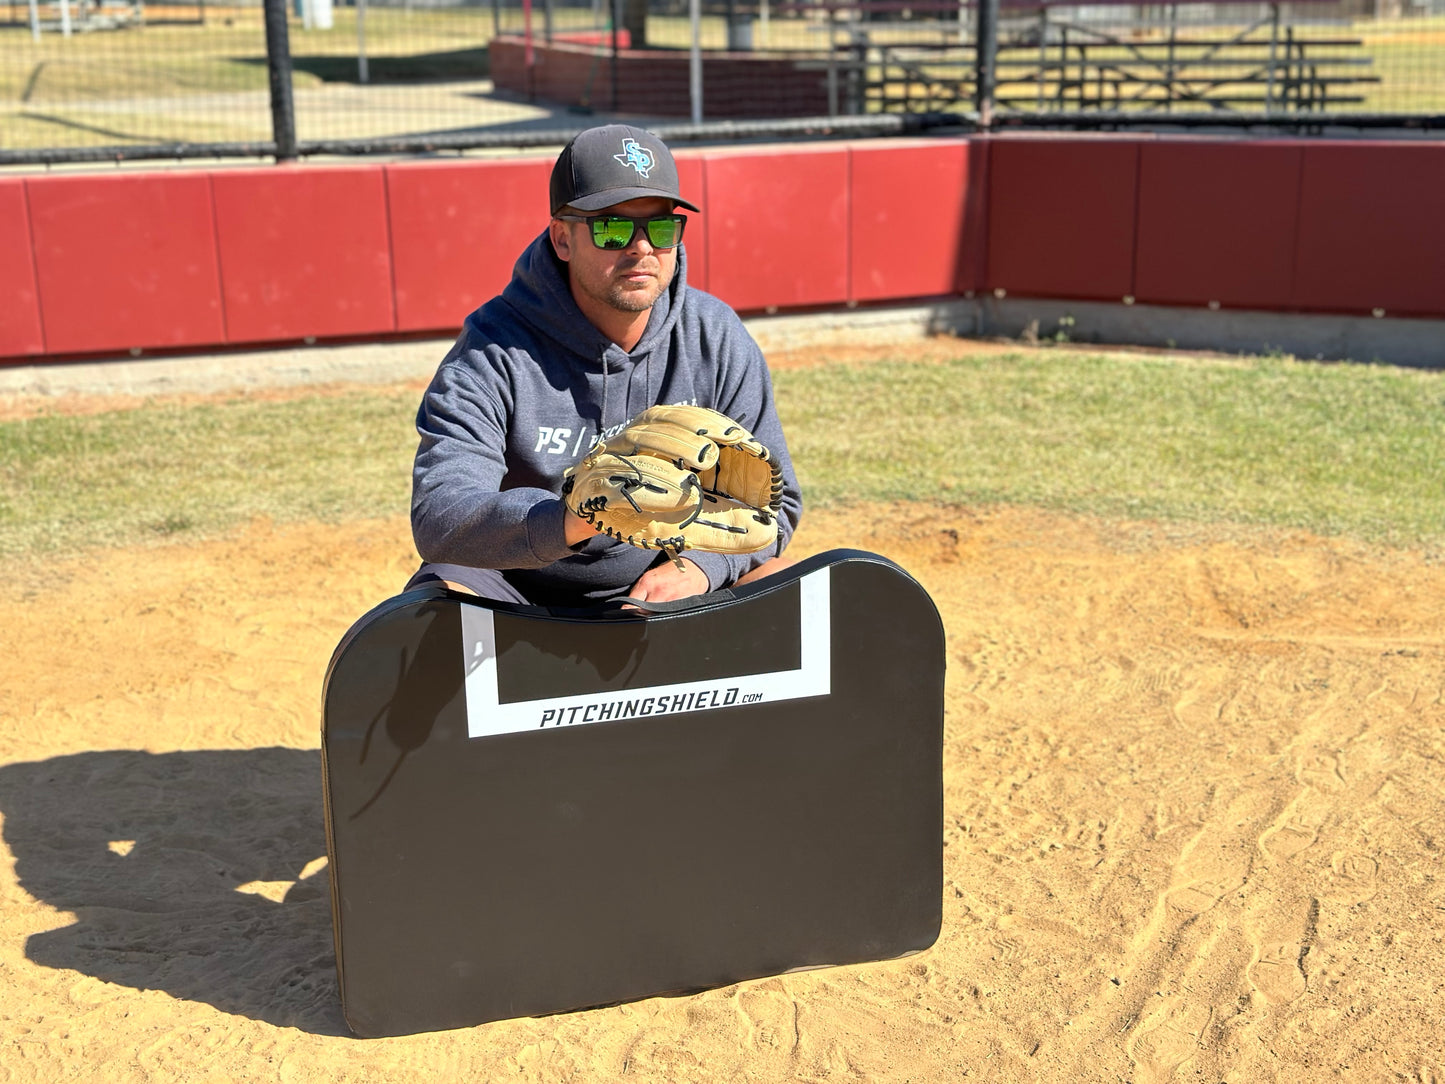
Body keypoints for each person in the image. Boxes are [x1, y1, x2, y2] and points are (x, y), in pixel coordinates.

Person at [404, 124, 802, 609]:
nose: (641, 248)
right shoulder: (492, 350)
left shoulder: (712, 335)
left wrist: (701, 567)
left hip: (660, 577)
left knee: (790, 587)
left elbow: (773, 506)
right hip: (517, 586)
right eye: (611, 228)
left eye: (660, 228)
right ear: (562, 239)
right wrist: (574, 519)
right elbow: (441, 514)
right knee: (438, 604)